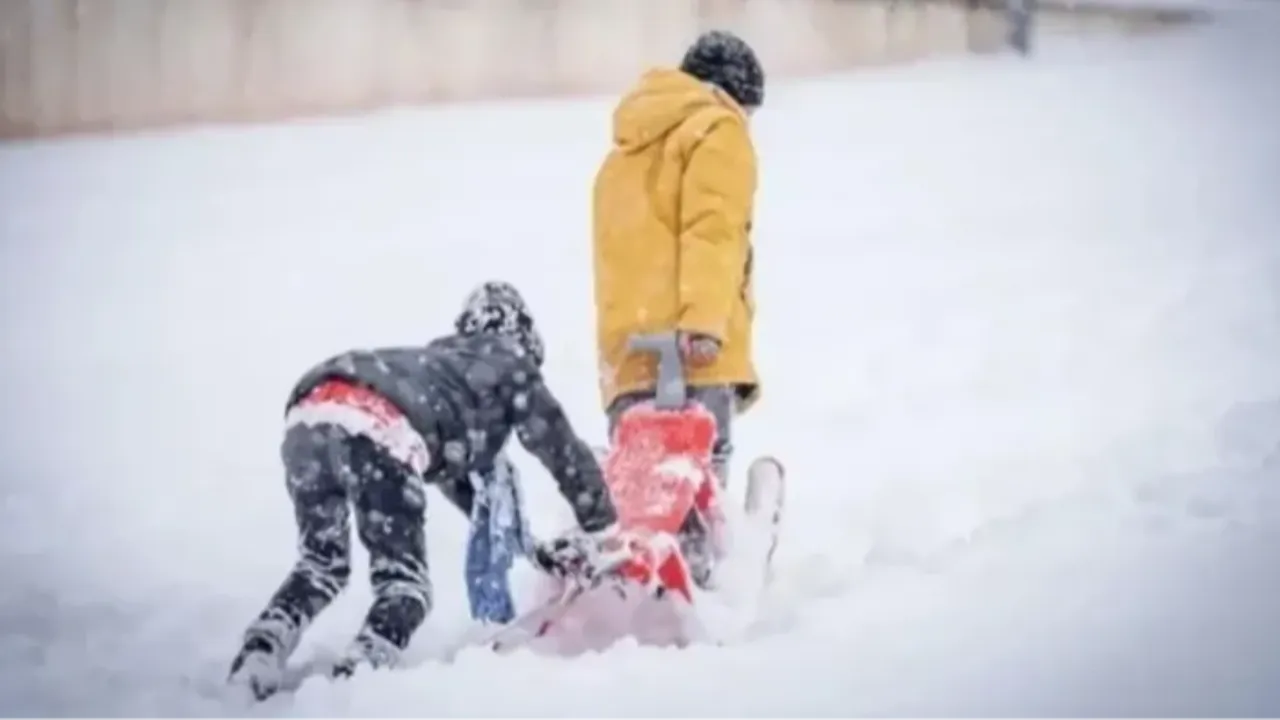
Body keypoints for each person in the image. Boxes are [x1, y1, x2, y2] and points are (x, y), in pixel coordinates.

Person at [227, 281, 619, 700]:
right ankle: (352, 684)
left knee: (320, 567)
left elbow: (465, 491)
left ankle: (260, 654)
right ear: (523, 338)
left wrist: (536, 551)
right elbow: (558, 445)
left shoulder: (440, 373)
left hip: (309, 415)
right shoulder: (506, 360)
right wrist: (605, 526)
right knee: (404, 589)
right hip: (377, 426)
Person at [590, 30, 765, 587]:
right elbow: (712, 233)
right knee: (699, 476)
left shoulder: (624, 152)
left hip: (627, 351)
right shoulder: (718, 129)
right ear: (734, 93)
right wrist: (704, 323)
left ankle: (642, 582)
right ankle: (703, 579)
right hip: (693, 347)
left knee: (645, 487)